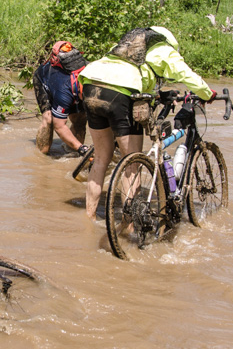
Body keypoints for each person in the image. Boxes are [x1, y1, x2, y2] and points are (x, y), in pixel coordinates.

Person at [77, 26, 214, 220]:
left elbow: (141, 76)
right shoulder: (163, 49)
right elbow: (186, 75)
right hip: (121, 91)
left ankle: (88, 219)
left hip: (91, 83)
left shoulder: (128, 46)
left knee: (100, 158)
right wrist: (209, 94)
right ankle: (129, 225)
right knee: (132, 162)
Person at [33, 40, 89, 157]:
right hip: (44, 79)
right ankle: (41, 157)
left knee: (80, 119)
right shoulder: (64, 91)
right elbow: (59, 126)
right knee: (49, 119)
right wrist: (82, 148)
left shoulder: (92, 75)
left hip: (70, 86)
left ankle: (72, 154)